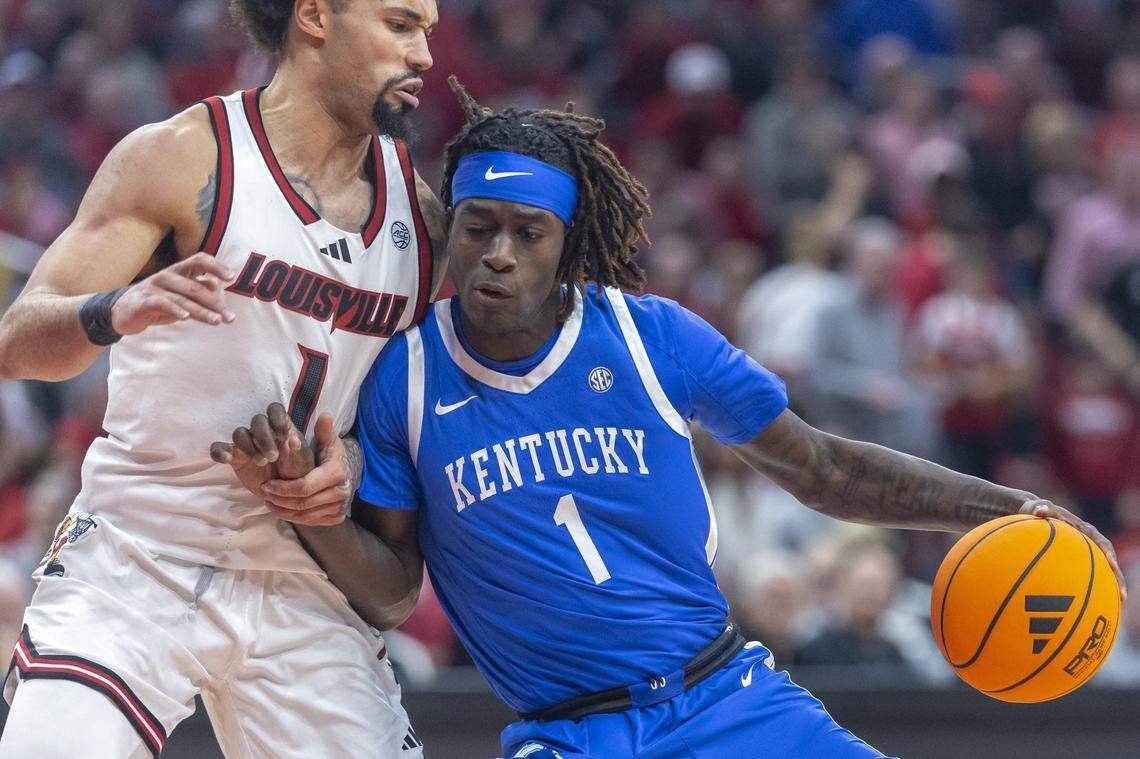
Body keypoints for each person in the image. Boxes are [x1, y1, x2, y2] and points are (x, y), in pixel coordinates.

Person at [219, 80, 1125, 759]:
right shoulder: (403, 380)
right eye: (477, 227)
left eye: (526, 234)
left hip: (730, 700)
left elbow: (822, 469)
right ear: (449, 229)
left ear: (567, 245)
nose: (496, 256)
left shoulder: (651, 337)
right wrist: (320, 514)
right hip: (568, 735)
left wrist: (1000, 507)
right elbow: (390, 591)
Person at [0, 1, 445, 756]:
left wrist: (353, 466)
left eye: (428, 29)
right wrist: (115, 307)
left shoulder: (424, 224)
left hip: (300, 577)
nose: (426, 54)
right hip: (140, 552)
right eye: (401, 23)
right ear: (313, 16)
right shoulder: (182, 157)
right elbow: (16, 341)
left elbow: (397, 429)